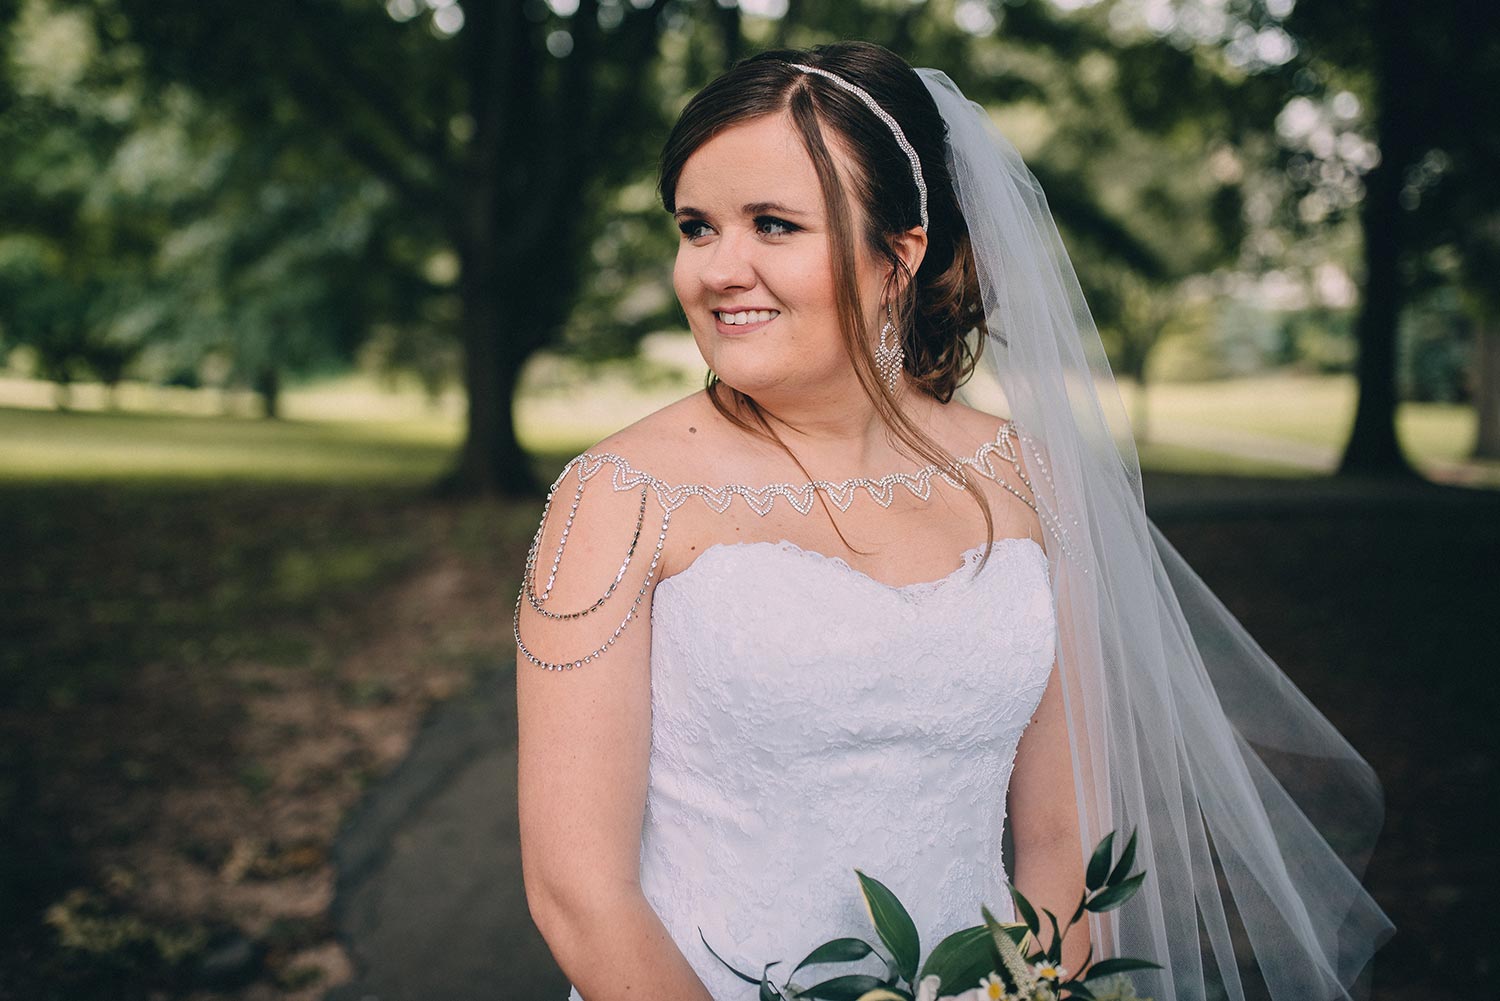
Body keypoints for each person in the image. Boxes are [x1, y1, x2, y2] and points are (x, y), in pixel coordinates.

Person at [515, 40, 1394, 1001]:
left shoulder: (1028, 476)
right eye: (696, 228)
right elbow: (579, 895)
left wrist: (1017, 990)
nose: (720, 269)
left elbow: (1067, 838)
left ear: (901, 253)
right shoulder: (618, 494)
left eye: (773, 224)